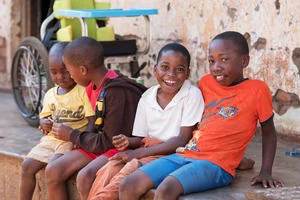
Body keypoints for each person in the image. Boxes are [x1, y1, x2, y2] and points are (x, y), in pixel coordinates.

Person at [119, 31, 284, 200]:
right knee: (128, 185)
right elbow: (211, 123)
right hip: (185, 154)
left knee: (166, 190)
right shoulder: (206, 83)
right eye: (211, 61)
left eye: (224, 59)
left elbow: (269, 132)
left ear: (244, 61)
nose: (216, 67)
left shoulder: (257, 90)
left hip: (217, 164)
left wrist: (265, 171)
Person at [87, 43, 205, 200]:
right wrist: (128, 141)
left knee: (127, 171)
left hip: (172, 154)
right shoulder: (147, 97)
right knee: (109, 167)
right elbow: (141, 139)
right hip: (147, 150)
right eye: (165, 67)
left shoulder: (192, 95)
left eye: (179, 70)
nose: (171, 74)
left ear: (188, 73)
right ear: (155, 69)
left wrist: (137, 153)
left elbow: (182, 139)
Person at [45, 36, 146, 200]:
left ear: (83, 70)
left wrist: (72, 135)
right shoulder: (91, 86)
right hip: (98, 143)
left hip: (119, 146)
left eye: (70, 71)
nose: (70, 76)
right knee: (53, 170)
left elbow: (110, 141)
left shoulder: (117, 92)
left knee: (85, 176)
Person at [19, 42, 95, 200]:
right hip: (50, 140)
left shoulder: (82, 91)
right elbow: (44, 117)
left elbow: (91, 120)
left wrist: (83, 139)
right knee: (27, 166)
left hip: (69, 140)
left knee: (53, 168)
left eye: (65, 71)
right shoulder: (50, 94)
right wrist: (43, 122)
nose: (60, 77)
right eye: (54, 72)